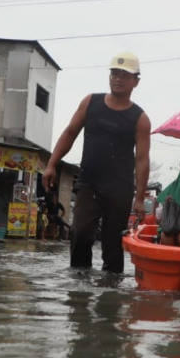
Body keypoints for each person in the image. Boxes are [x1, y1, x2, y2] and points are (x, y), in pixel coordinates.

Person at [43, 51, 151, 274]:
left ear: (136, 82)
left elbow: (142, 159)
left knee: (113, 245)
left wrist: (139, 198)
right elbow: (70, 133)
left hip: (120, 189)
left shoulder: (140, 118)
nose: (118, 78)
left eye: (124, 75)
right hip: (89, 183)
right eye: (114, 73)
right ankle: (78, 291)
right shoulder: (90, 102)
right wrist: (51, 164)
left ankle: (109, 298)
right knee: (81, 233)